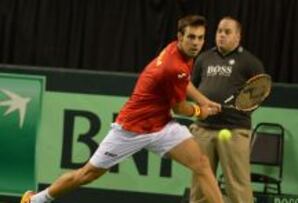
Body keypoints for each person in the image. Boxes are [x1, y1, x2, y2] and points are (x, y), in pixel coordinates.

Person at [20, 15, 225, 203]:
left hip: (161, 126)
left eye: (200, 38)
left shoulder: (179, 52)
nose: (196, 43)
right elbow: (180, 108)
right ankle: (36, 200)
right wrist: (200, 111)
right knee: (86, 174)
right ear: (180, 36)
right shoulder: (173, 66)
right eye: (191, 37)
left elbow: (184, 83)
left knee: (202, 164)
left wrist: (204, 100)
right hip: (131, 129)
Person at [190, 16, 265, 203]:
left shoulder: (250, 62)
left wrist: (240, 111)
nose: (221, 35)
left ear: (238, 36)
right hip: (203, 129)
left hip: (234, 131)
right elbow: (192, 88)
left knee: (238, 186)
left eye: (227, 32)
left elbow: (260, 92)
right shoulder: (203, 58)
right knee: (200, 184)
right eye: (219, 31)